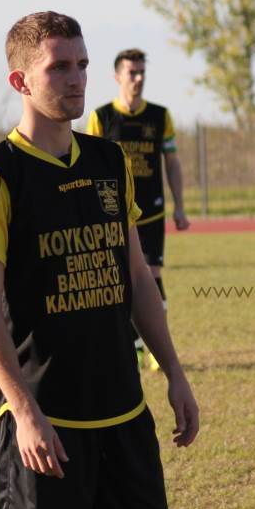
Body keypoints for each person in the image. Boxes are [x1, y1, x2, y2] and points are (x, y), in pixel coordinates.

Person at [0, 12, 198, 509]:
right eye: (59, 67)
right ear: (20, 81)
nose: (76, 79)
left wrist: (174, 372)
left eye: (83, 64)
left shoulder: (109, 161)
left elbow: (137, 279)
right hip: (46, 421)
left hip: (124, 412)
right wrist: (24, 412)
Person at [85, 48, 188, 369]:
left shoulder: (159, 116)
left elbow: (172, 163)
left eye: (142, 72)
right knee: (120, 278)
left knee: (152, 275)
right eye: (132, 72)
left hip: (151, 210)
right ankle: (133, 346)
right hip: (114, 213)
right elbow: (89, 167)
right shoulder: (101, 117)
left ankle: (158, 348)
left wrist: (180, 206)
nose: (139, 78)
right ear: (118, 76)